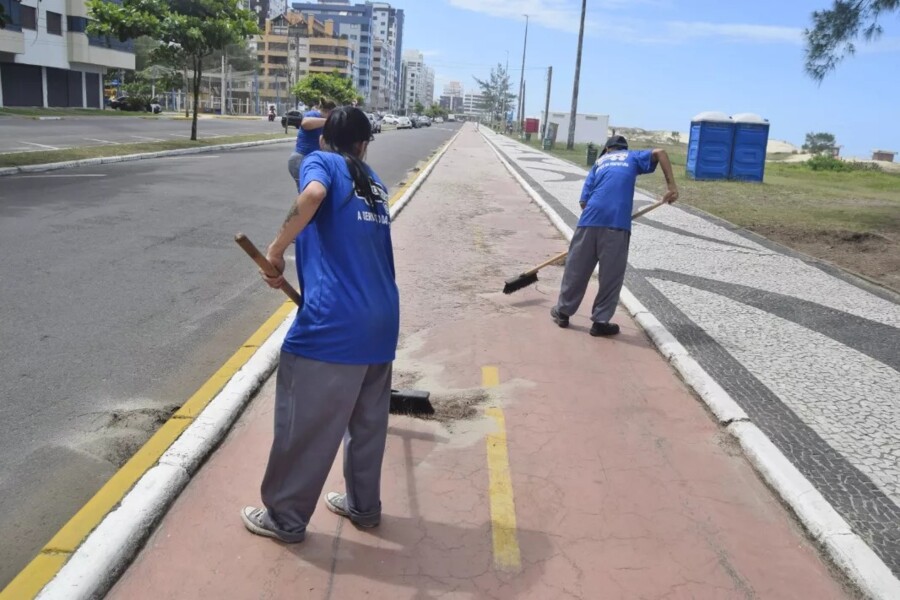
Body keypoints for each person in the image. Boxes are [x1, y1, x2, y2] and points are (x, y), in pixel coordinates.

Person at [241, 106, 399, 543]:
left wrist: (275, 251)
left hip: (332, 325)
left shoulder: (323, 161)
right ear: (364, 144)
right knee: (366, 426)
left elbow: (310, 196)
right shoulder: (375, 183)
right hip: (382, 322)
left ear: (326, 139)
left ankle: (285, 519)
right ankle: (364, 508)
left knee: (303, 425)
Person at [550, 135, 678, 336]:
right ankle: (600, 322)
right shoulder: (632, 157)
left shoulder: (599, 163)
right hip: (617, 223)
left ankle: (563, 312)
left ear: (607, 150)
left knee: (576, 269)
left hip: (589, 221)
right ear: (623, 149)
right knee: (611, 275)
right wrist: (672, 187)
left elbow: (583, 202)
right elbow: (660, 152)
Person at [287, 97, 337, 186]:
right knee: (307, 190)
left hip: (310, 160)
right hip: (301, 159)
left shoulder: (323, 123)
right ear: (328, 111)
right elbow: (305, 123)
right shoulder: (313, 114)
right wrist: (329, 121)